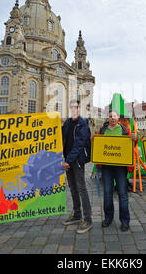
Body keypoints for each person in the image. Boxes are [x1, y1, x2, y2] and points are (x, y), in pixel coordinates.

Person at [94, 110, 138, 232]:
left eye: (114, 116)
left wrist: (135, 139)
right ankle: (108, 218)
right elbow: (97, 145)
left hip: (121, 167)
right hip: (107, 166)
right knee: (107, 193)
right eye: (110, 116)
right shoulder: (103, 130)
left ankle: (125, 221)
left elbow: (132, 145)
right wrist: (93, 139)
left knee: (122, 193)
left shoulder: (124, 130)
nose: (112, 118)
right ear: (107, 118)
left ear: (118, 118)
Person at [61, 99, 93, 234]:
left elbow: (79, 144)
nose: (74, 109)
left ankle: (88, 218)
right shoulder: (68, 122)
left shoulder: (83, 123)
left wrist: (68, 160)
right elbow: (60, 137)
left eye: (76, 107)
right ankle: (77, 214)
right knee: (72, 188)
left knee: (81, 188)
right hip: (67, 160)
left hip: (77, 160)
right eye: (72, 107)